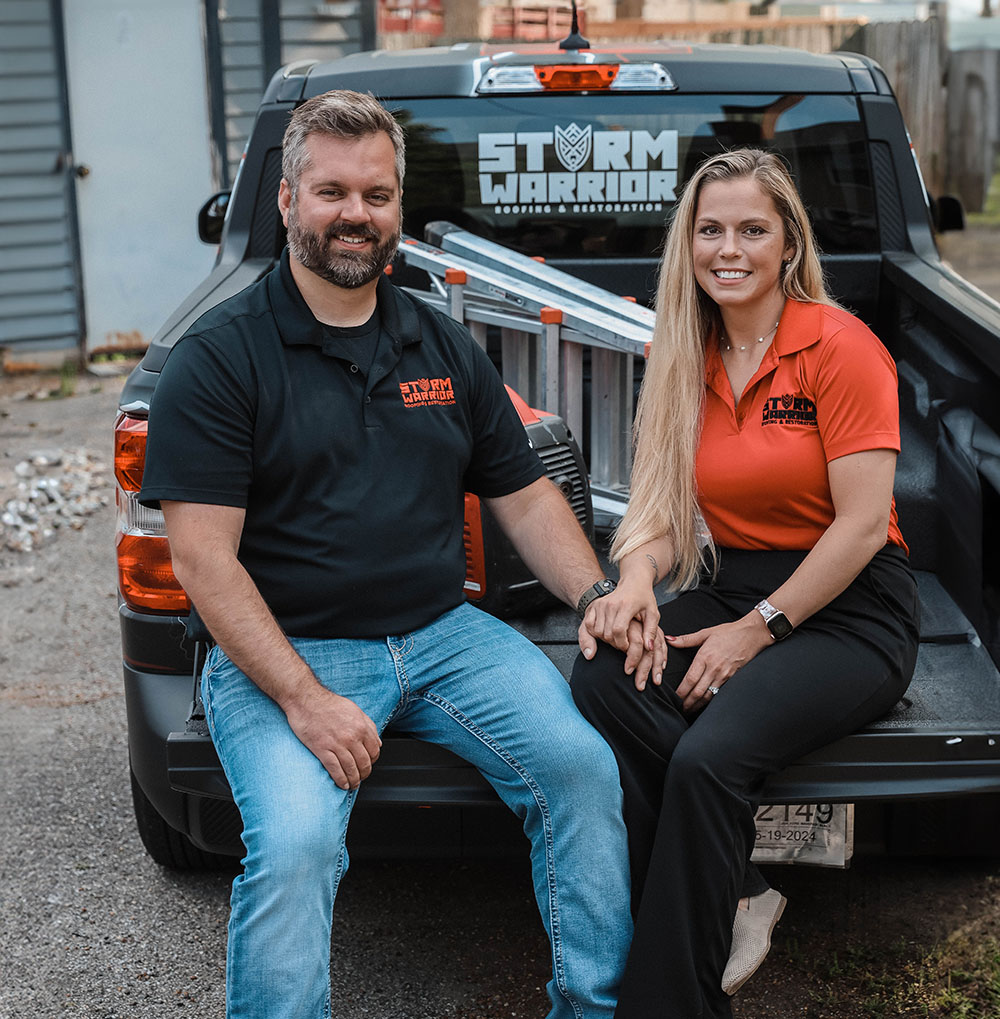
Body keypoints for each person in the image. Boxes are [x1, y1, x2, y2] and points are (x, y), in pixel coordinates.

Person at [139, 90, 634, 1019]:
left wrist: (596, 594)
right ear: (287, 199)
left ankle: (593, 1008)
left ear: (399, 205)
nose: (355, 214)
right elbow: (205, 561)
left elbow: (524, 493)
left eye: (376, 193)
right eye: (331, 191)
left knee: (580, 768)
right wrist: (304, 698)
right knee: (294, 843)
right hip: (286, 652)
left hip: (444, 635)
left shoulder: (438, 340)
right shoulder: (219, 359)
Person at [571, 148, 920, 1019]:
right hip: (737, 584)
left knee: (709, 760)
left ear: (789, 244)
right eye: (711, 229)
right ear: (688, 243)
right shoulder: (685, 349)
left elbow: (862, 525)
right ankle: (739, 889)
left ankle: (667, 1003)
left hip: (852, 606)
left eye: (753, 230)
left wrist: (758, 627)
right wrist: (635, 581)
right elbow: (660, 507)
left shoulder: (841, 347)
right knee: (606, 675)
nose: (729, 249)